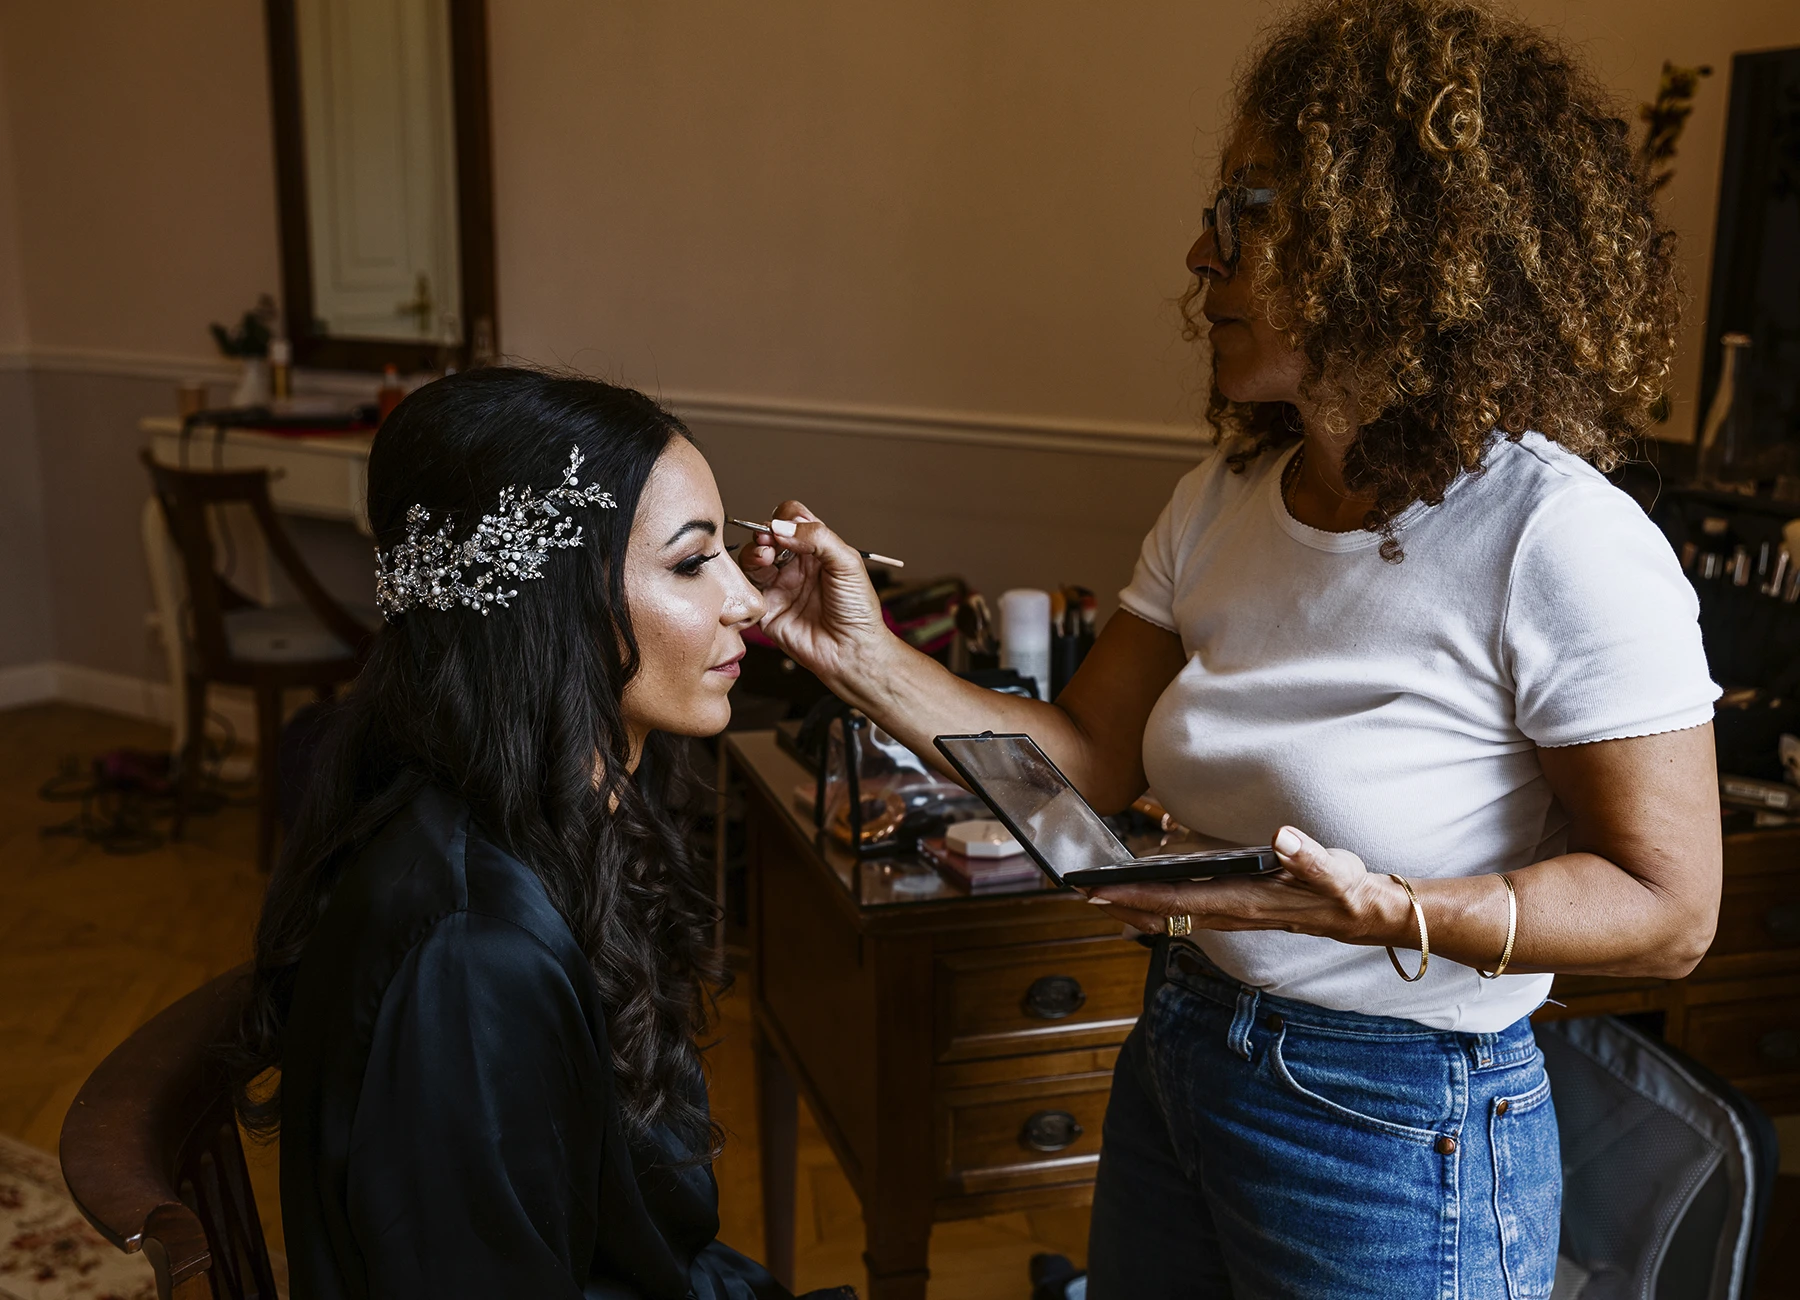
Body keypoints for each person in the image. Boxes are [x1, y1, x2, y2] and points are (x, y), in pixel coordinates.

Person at [740, 1, 1722, 1295]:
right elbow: (1082, 761)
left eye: (1252, 211)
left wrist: (1406, 913)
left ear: (1403, 240)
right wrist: (855, 650)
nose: (1203, 252)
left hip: (1396, 1121)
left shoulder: (1554, 536)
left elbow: (1672, 913)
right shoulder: (1223, 496)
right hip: (1187, 1046)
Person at [230, 369, 852, 1300]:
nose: (749, 602)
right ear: (552, 602)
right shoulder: (472, 954)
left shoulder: (560, 812)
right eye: (692, 562)